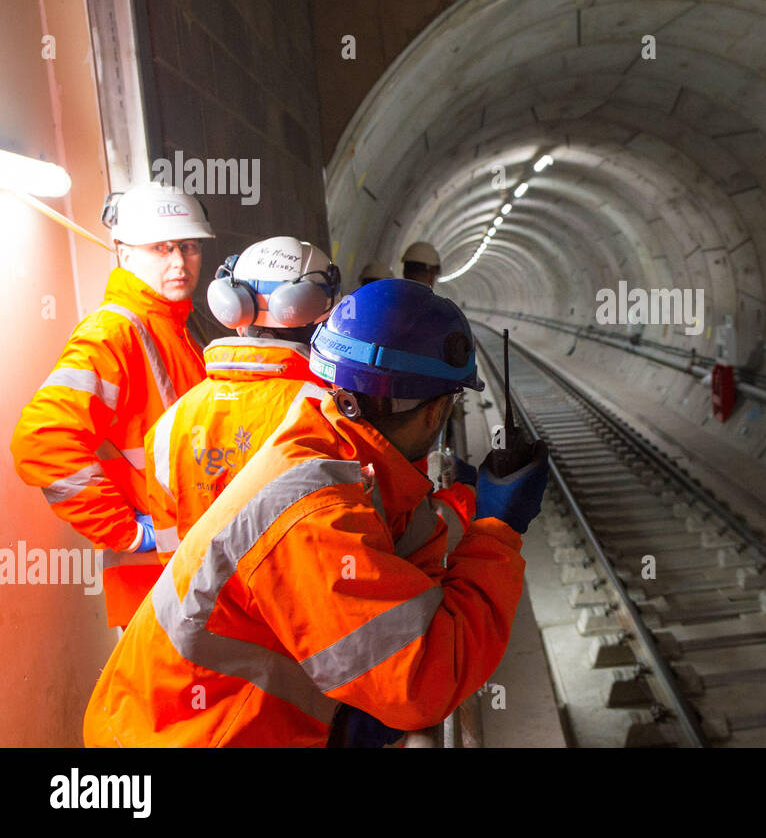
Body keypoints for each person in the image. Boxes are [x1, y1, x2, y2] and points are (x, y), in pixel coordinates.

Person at [84, 279, 550, 746]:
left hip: (194, 722)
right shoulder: (316, 512)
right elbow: (425, 682)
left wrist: (464, 502)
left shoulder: (329, 446)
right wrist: (497, 531)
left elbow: (399, 555)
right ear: (436, 411)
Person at [11, 182, 213, 627]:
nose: (179, 262)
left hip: (192, 569)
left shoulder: (177, 329)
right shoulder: (111, 334)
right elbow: (41, 443)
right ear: (124, 253)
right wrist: (126, 532)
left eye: (189, 246)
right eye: (160, 248)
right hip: (155, 579)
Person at [143, 236, 340, 561]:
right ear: (319, 309)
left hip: (207, 612)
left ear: (232, 305)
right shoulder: (328, 412)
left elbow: (172, 561)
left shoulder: (170, 425)